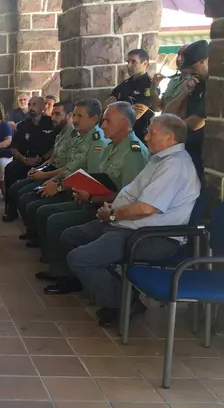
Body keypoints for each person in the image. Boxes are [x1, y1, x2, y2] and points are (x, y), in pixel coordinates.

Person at [62, 114, 199, 327]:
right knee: (70, 236)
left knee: (79, 258)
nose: (146, 137)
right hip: (127, 225)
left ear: (170, 138)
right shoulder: (159, 159)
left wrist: (112, 215)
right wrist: (107, 209)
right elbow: (131, 194)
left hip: (150, 237)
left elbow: (146, 208)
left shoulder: (175, 166)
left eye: (152, 133)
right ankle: (113, 288)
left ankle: (125, 302)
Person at [37, 102, 149, 295]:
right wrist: (85, 193)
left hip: (111, 212)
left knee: (58, 222)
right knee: (55, 219)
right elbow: (98, 179)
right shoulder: (111, 146)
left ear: (124, 123)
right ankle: (69, 274)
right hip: (94, 203)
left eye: (107, 120)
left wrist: (91, 197)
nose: (103, 125)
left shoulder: (133, 152)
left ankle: (70, 276)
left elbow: (127, 196)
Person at [18, 100, 106, 247]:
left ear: (94, 119)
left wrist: (57, 185)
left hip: (79, 194)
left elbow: (88, 176)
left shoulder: (97, 141)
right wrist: (53, 180)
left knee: (41, 210)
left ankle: (47, 249)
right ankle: (41, 242)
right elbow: (69, 166)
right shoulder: (79, 136)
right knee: (28, 198)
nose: (75, 120)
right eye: (74, 115)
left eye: (79, 116)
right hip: (68, 185)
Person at [2, 96, 56, 222]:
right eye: (30, 104)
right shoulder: (23, 125)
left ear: (42, 107)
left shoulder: (51, 124)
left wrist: (42, 158)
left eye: (34, 105)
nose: (31, 107)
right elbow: (14, 149)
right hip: (25, 161)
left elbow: (56, 147)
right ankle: (11, 208)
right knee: (10, 169)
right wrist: (23, 159)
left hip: (44, 162)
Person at [164, 39, 208, 185]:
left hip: (205, 152)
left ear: (205, 60)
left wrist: (173, 125)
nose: (190, 72)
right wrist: (184, 93)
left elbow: (196, 123)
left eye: (193, 67)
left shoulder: (213, 85)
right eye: (188, 68)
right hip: (188, 149)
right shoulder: (196, 82)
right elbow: (168, 114)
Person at [150, 44, 188, 113]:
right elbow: (158, 108)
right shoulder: (173, 80)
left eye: (183, 55)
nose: (178, 59)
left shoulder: (194, 82)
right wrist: (153, 88)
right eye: (178, 54)